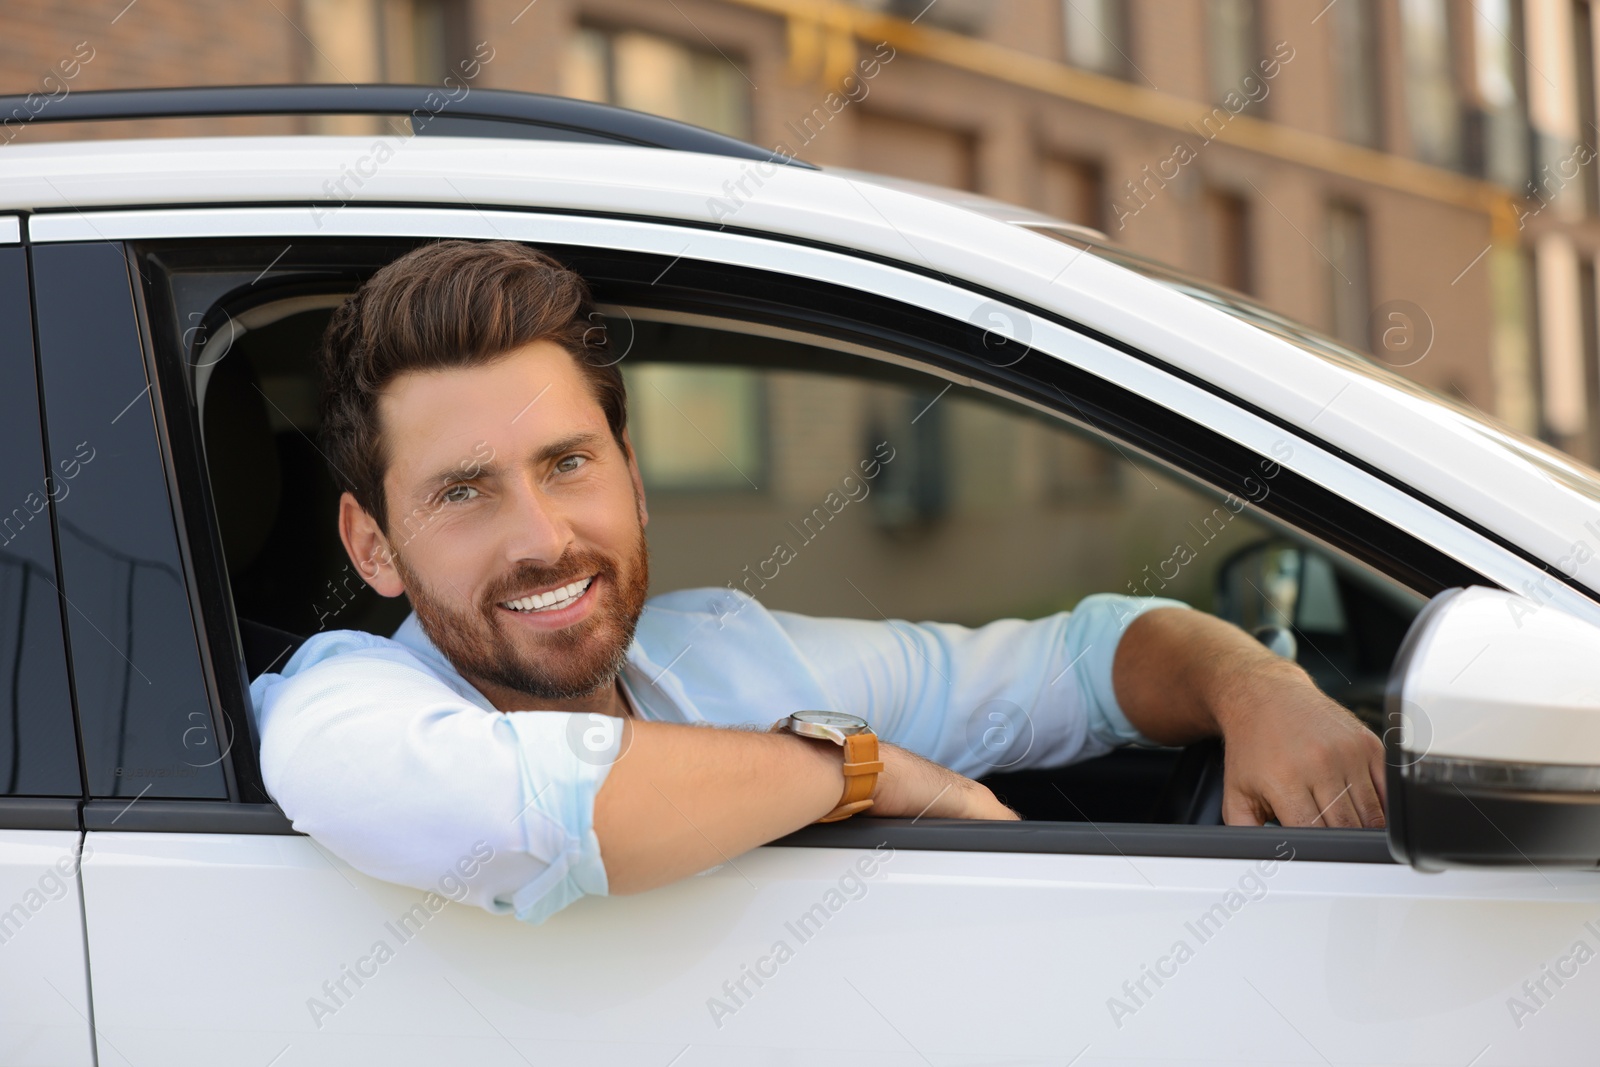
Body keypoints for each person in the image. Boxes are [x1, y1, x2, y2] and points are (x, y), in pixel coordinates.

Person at [250, 240, 1386, 925]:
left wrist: (1254, 687)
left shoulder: (728, 652)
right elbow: (534, 808)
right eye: (463, 491)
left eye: (567, 463)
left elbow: (1082, 660)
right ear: (373, 546)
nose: (542, 537)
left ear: (635, 480)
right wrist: (860, 769)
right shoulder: (333, 710)